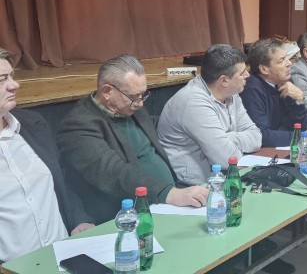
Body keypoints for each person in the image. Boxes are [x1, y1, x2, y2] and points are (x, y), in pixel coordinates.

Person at [57, 54, 209, 224]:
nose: (140, 103)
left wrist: (193, 138)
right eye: (134, 97)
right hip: (129, 214)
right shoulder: (78, 125)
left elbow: (156, 128)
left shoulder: (130, 106)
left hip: (168, 199)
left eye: (143, 95)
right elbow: (114, 173)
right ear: (107, 91)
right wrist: (169, 193)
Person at [0, 49, 94, 263]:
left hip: (64, 257)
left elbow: (61, 182)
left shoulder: (33, 124)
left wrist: (79, 220)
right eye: (2, 79)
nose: (15, 85)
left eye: (12, 76)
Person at [158, 44, 261, 185]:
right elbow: (227, 159)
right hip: (190, 186)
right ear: (224, 81)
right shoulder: (193, 102)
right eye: (242, 72)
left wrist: (227, 138)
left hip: (222, 177)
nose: (247, 75)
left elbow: (256, 138)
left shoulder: (231, 92)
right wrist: (229, 144)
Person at [240, 38, 307, 147]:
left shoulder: (284, 82)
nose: (289, 63)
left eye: (287, 58)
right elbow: (260, 136)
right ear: (264, 69)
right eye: (281, 61)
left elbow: (297, 127)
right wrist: (301, 138)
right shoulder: (251, 89)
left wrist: (299, 100)